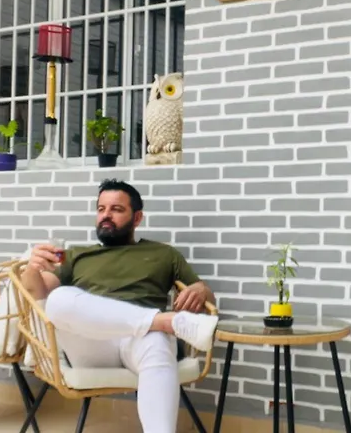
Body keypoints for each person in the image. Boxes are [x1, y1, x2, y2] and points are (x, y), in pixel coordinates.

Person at [21, 178, 219, 433]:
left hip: (141, 341)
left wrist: (201, 289)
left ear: (137, 218)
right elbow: (37, 294)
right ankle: (166, 322)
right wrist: (32, 268)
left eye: (116, 209)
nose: (106, 215)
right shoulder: (77, 254)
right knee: (59, 298)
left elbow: (207, 297)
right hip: (91, 343)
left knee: (157, 343)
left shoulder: (164, 254)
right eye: (101, 209)